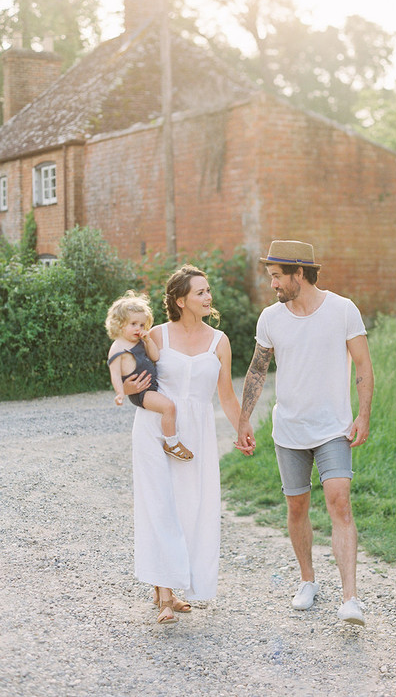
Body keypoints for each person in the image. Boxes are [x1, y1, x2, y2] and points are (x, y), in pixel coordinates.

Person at [236, 240, 374, 626]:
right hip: (289, 431)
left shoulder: (343, 310)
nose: (273, 285)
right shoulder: (271, 318)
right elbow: (257, 370)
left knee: (339, 502)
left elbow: (363, 364)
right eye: (271, 278)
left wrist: (363, 415)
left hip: (333, 428)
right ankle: (308, 581)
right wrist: (244, 420)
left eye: (278, 277)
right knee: (296, 507)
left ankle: (350, 599)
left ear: (299, 273)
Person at [122, 265, 246, 624]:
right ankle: (163, 595)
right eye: (200, 292)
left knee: (191, 508)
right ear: (180, 300)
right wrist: (130, 388)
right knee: (160, 506)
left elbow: (225, 394)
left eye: (208, 291)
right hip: (156, 429)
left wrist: (243, 427)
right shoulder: (155, 335)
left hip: (198, 433)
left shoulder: (219, 341)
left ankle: (175, 585)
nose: (208, 298)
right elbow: (133, 377)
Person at [105, 291, 193, 461]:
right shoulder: (117, 347)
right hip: (142, 393)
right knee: (169, 407)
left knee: (171, 406)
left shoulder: (139, 341)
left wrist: (148, 341)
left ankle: (172, 439)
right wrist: (120, 393)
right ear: (119, 324)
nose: (139, 329)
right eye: (133, 324)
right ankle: (172, 443)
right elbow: (115, 374)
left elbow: (155, 357)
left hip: (151, 387)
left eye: (142, 325)